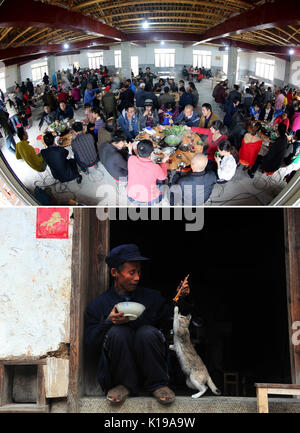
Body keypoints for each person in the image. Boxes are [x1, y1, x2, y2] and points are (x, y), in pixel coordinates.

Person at [84, 243, 190, 404]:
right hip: (117, 375)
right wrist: (108, 322)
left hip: (151, 368)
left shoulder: (151, 297)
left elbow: (170, 320)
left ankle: (158, 384)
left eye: (139, 272)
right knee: (118, 333)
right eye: (131, 273)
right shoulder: (98, 305)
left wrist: (180, 298)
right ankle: (123, 385)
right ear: (114, 273)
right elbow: (89, 345)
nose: (137, 278)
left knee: (146, 332)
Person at [127, 139, 168, 205]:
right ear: (152, 153)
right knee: (161, 185)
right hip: (148, 200)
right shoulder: (155, 167)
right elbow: (163, 177)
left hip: (131, 196)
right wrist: (163, 162)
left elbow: (130, 155)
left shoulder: (131, 159)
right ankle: (157, 201)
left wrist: (129, 150)